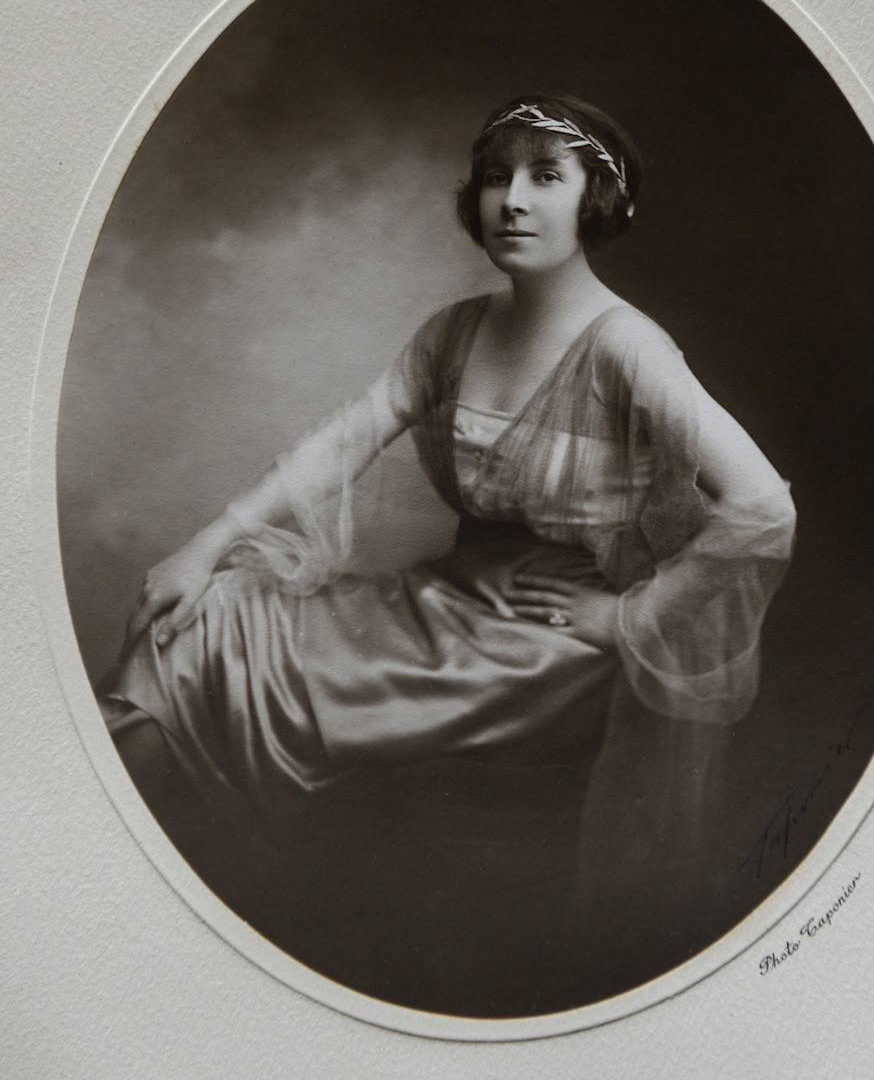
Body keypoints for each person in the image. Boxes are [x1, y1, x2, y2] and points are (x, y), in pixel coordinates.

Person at [100, 94, 796, 1003]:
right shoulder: (456, 331)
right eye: (498, 176)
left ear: (594, 200)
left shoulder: (626, 346)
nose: (514, 200)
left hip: (545, 645)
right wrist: (207, 544)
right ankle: (107, 903)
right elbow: (339, 445)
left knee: (225, 654)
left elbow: (762, 508)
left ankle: (112, 907)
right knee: (199, 621)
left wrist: (630, 617)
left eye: (546, 176)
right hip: (447, 600)